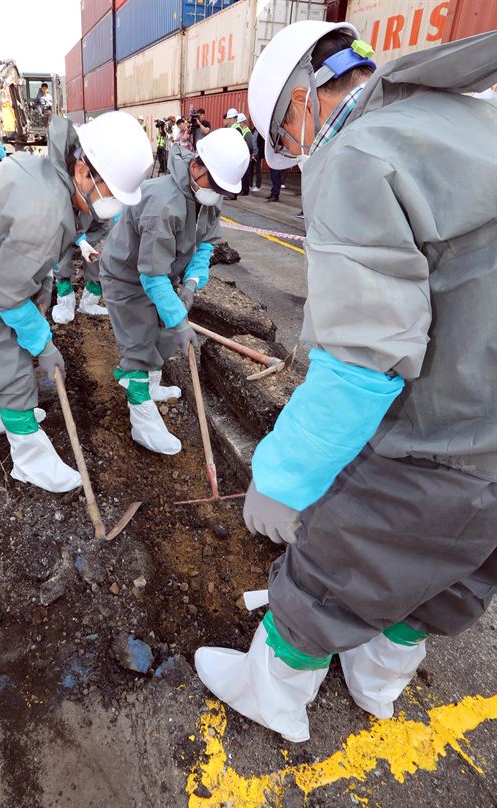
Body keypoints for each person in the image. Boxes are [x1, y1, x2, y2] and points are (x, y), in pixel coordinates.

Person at [195, 21, 497, 742]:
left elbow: (365, 354)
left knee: (339, 554)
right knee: (454, 572)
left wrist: (282, 471)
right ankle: (378, 682)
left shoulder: (361, 154)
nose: (296, 159)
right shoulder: (467, 116)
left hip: (446, 434)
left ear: (302, 99)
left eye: (288, 139)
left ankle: (275, 690)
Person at [0, 112, 152, 492]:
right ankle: (29, 459)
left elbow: (22, 271)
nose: (112, 201)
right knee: (12, 366)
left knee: (13, 344)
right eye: (110, 189)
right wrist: (43, 344)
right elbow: (7, 295)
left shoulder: (48, 177)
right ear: (82, 169)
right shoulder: (44, 210)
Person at [99, 128, 249, 455]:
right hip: (127, 277)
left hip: (164, 273)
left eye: (225, 189)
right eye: (217, 185)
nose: (219, 194)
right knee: (139, 341)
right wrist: (180, 320)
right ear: (197, 167)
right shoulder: (162, 202)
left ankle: (151, 387)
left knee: (164, 334)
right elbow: (150, 276)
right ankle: (142, 419)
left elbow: (205, 244)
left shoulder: (206, 198)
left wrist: (193, 283)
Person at [233, 113, 253, 195]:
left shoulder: (247, 132)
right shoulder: (244, 131)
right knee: (243, 174)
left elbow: (250, 146)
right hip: (244, 156)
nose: (239, 125)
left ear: (243, 122)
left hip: (246, 156)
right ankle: (243, 189)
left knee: (245, 175)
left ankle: (245, 190)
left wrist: (248, 155)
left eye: (240, 123)